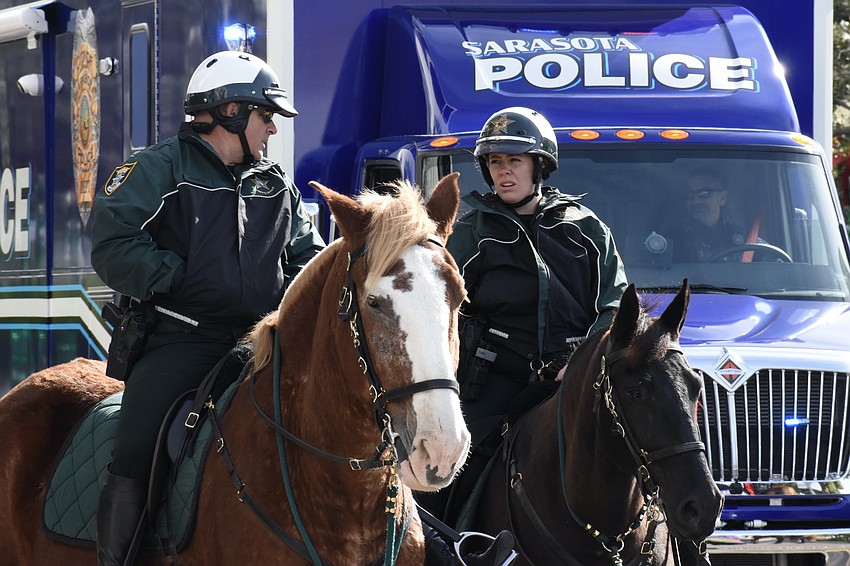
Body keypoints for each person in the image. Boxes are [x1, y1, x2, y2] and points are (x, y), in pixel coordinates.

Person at [90, 51, 326, 566]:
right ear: (232, 112)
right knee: (136, 445)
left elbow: (308, 260)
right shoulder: (158, 167)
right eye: (267, 117)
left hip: (262, 342)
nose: (272, 130)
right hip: (183, 340)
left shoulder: (276, 182)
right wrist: (181, 279)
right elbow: (112, 245)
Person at [418, 107, 628, 528]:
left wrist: (583, 359)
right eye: (496, 162)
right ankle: (446, 546)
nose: (504, 172)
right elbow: (433, 304)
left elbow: (617, 304)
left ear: (540, 165)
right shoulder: (469, 229)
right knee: (451, 465)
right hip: (496, 377)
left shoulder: (585, 227)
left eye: (515, 160)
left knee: (639, 450)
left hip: (573, 376)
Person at [665, 167, 748, 262]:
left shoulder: (744, 240)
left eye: (704, 194)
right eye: (690, 195)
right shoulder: (674, 240)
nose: (695, 202)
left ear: (722, 198)